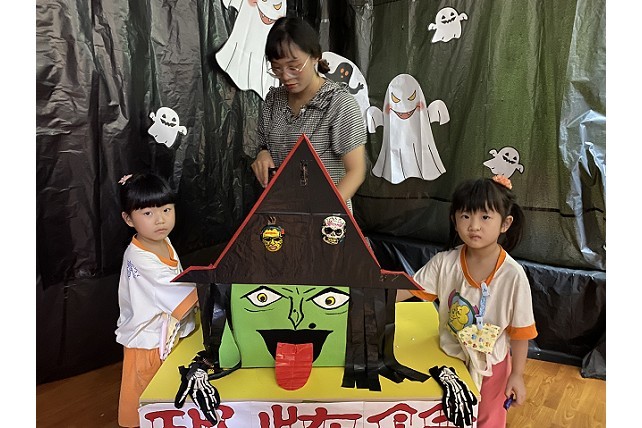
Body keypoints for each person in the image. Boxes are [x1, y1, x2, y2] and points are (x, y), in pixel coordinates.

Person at [399, 175, 537, 428]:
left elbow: (520, 333)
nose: (474, 225)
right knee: (449, 417)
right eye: (465, 216)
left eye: (485, 217)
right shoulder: (444, 263)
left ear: (505, 223)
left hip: (491, 366)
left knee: (487, 420)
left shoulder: (513, 276)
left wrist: (517, 375)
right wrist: (367, 291)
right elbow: (405, 290)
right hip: (449, 360)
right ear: (454, 220)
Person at [250, 16, 367, 212]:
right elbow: (264, 145)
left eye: (294, 67)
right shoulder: (273, 100)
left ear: (315, 56)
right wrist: (262, 155)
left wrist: (321, 213)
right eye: (277, 68)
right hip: (283, 212)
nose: (285, 76)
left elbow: (356, 171)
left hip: (327, 217)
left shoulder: (339, 103)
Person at [115, 172, 198, 427]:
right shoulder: (141, 258)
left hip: (165, 336)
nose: (160, 219)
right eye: (148, 213)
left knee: (166, 396)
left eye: (166, 209)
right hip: (148, 343)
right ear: (128, 219)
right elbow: (179, 294)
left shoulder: (162, 240)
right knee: (149, 402)